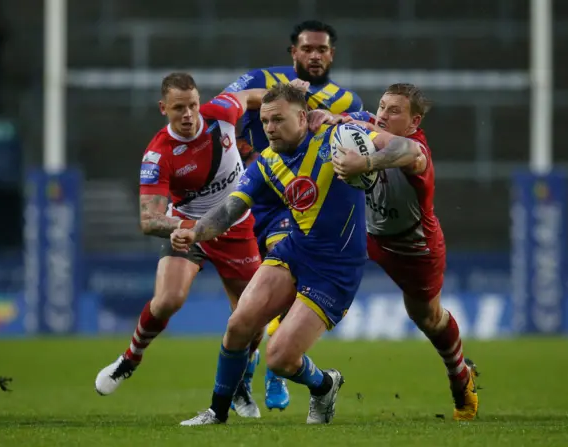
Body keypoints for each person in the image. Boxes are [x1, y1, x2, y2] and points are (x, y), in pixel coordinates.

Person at [170, 84, 425, 426]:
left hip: (336, 268)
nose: (270, 128)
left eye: (278, 119)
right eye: (264, 121)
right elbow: (229, 210)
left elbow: (409, 149)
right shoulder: (267, 163)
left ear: (303, 117)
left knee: (279, 359)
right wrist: (195, 231)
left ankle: (324, 385)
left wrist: (366, 162)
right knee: (238, 326)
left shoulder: (339, 135)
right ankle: (216, 412)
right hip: (295, 250)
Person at [94, 72, 269, 418]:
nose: (188, 114)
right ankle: (130, 358)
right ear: (163, 109)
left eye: (192, 105)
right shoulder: (158, 155)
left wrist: (280, 100)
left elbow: (250, 96)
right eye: (178, 109)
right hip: (189, 229)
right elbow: (149, 220)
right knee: (168, 300)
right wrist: (180, 226)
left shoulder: (220, 112)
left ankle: (239, 385)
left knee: (252, 316)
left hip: (235, 228)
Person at [224, 19, 364, 411]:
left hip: (298, 204)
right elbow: (222, 109)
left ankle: (272, 374)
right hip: (257, 193)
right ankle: (246, 375)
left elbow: (365, 128)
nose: (315, 56)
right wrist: (264, 105)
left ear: (331, 54)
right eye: (307, 49)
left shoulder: (345, 100)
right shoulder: (263, 79)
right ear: (294, 53)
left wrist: (338, 120)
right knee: (245, 304)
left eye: (322, 50)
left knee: (281, 285)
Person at [328, 83, 480, 421]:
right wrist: (319, 117)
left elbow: (409, 153)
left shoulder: (416, 149)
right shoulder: (365, 125)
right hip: (369, 236)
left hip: (414, 247)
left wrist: (364, 162)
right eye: (381, 107)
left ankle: (460, 377)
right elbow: (339, 120)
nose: (383, 114)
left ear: (415, 121)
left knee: (427, 318)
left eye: (394, 110)